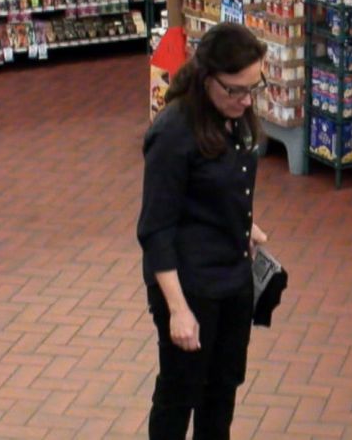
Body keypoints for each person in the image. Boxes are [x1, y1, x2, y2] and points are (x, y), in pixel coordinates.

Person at [137, 23, 270, 440]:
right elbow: (156, 229)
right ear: (207, 77)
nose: (246, 99)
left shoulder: (237, 116)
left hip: (233, 280)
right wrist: (178, 310)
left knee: (222, 392)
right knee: (180, 395)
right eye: (235, 90)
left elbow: (223, 185)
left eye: (254, 87)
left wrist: (245, 225)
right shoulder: (174, 131)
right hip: (190, 287)